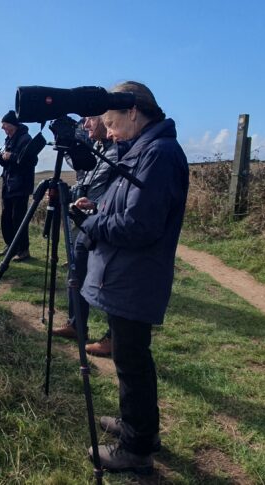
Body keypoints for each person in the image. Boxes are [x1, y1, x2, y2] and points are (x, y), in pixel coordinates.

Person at [76, 81, 188, 473]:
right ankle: (140, 427)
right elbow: (125, 204)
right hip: (126, 274)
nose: (108, 131)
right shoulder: (141, 150)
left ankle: (136, 448)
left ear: (133, 112)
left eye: (111, 122)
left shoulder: (159, 154)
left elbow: (141, 225)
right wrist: (101, 206)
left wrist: (93, 223)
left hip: (136, 276)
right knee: (129, 357)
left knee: (132, 360)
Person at [52, 115, 117, 357]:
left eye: (90, 120)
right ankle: (76, 325)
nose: (86, 125)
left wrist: (96, 205)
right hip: (85, 222)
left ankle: (114, 337)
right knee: (76, 272)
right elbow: (85, 178)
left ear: (105, 119)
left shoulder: (120, 150)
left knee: (106, 278)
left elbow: (120, 190)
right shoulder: (97, 148)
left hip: (104, 223)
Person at [0, 110, 36, 261]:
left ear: (13, 125)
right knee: (6, 217)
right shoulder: (9, 139)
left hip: (20, 185)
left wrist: (11, 156)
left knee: (18, 218)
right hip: (8, 184)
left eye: (5, 125)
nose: (3, 128)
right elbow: (10, 163)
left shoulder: (26, 139)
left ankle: (23, 250)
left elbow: (30, 160)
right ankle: (10, 246)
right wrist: (1, 158)